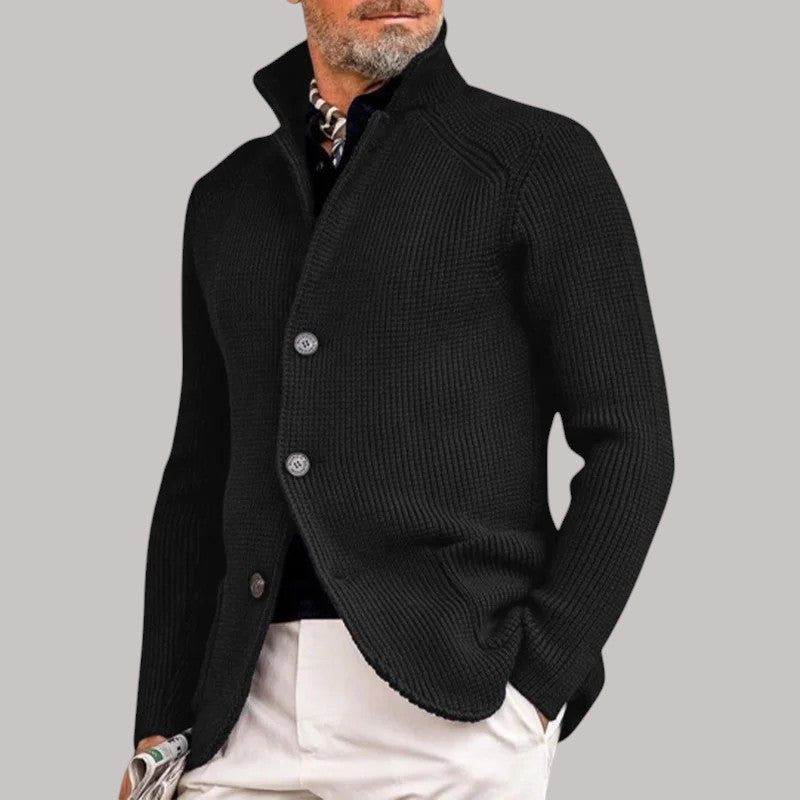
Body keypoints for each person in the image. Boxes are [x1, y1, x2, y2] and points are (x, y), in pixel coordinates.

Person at [120, 2, 674, 798]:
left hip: (453, 709)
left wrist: (535, 688)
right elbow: (200, 476)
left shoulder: (535, 160)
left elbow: (631, 440)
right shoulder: (226, 198)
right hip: (240, 711)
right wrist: (158, 724)